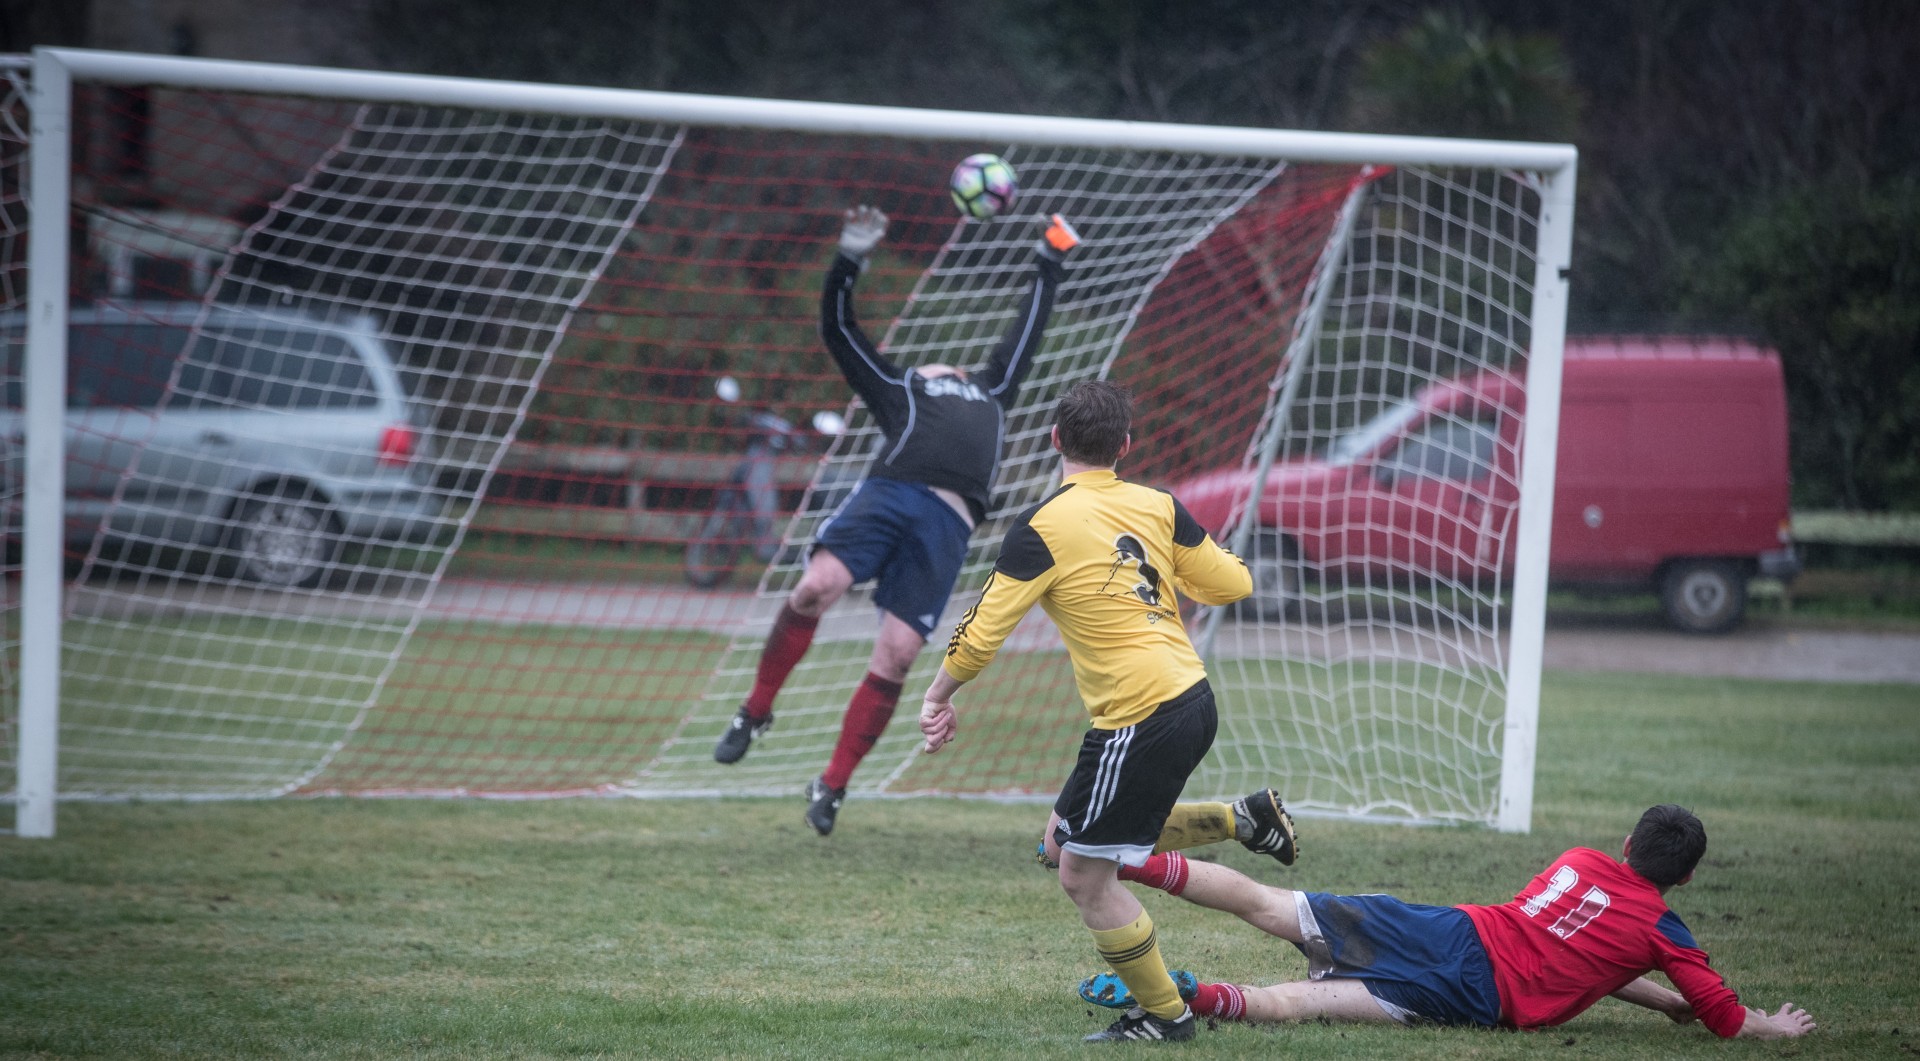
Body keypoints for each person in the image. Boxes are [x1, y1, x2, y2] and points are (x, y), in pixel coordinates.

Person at [919, 378, 1286, 1043]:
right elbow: (1232, 581)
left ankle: (1165, 1016)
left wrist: (938, 694)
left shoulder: (1041, 526)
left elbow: (980, 631)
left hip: (1142, 713)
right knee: (1059, 840)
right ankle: (1240, 819)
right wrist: (1177, 562)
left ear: (1055, 439)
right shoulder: (1159, 504)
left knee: (1083, 875)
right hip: (1186, 699)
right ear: (1124, 445)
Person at [713, 204, 1080, 838]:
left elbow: (1027, 332)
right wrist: (851, 254)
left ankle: (832, 783)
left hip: (948, 527)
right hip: (889, 497)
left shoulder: (994, 390)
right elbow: (838, 329)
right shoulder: (901, 385)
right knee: (814, 588)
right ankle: (754, 710)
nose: (949, 369)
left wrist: (1050, 259)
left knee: (900, 654)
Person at [1075, 804, 1816, 1041]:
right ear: (1684, 877)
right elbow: (1720, 1013)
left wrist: (1661, 999)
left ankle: (1128, 862)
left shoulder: (1579, 860)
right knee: (1295, 1003)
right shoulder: (1662, 929)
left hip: (1446, 929)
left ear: (1626, 844)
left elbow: (1576, 952)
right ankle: (1187, 993)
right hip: (1468, 990)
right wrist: (1768, 1024)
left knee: (1268, 905)